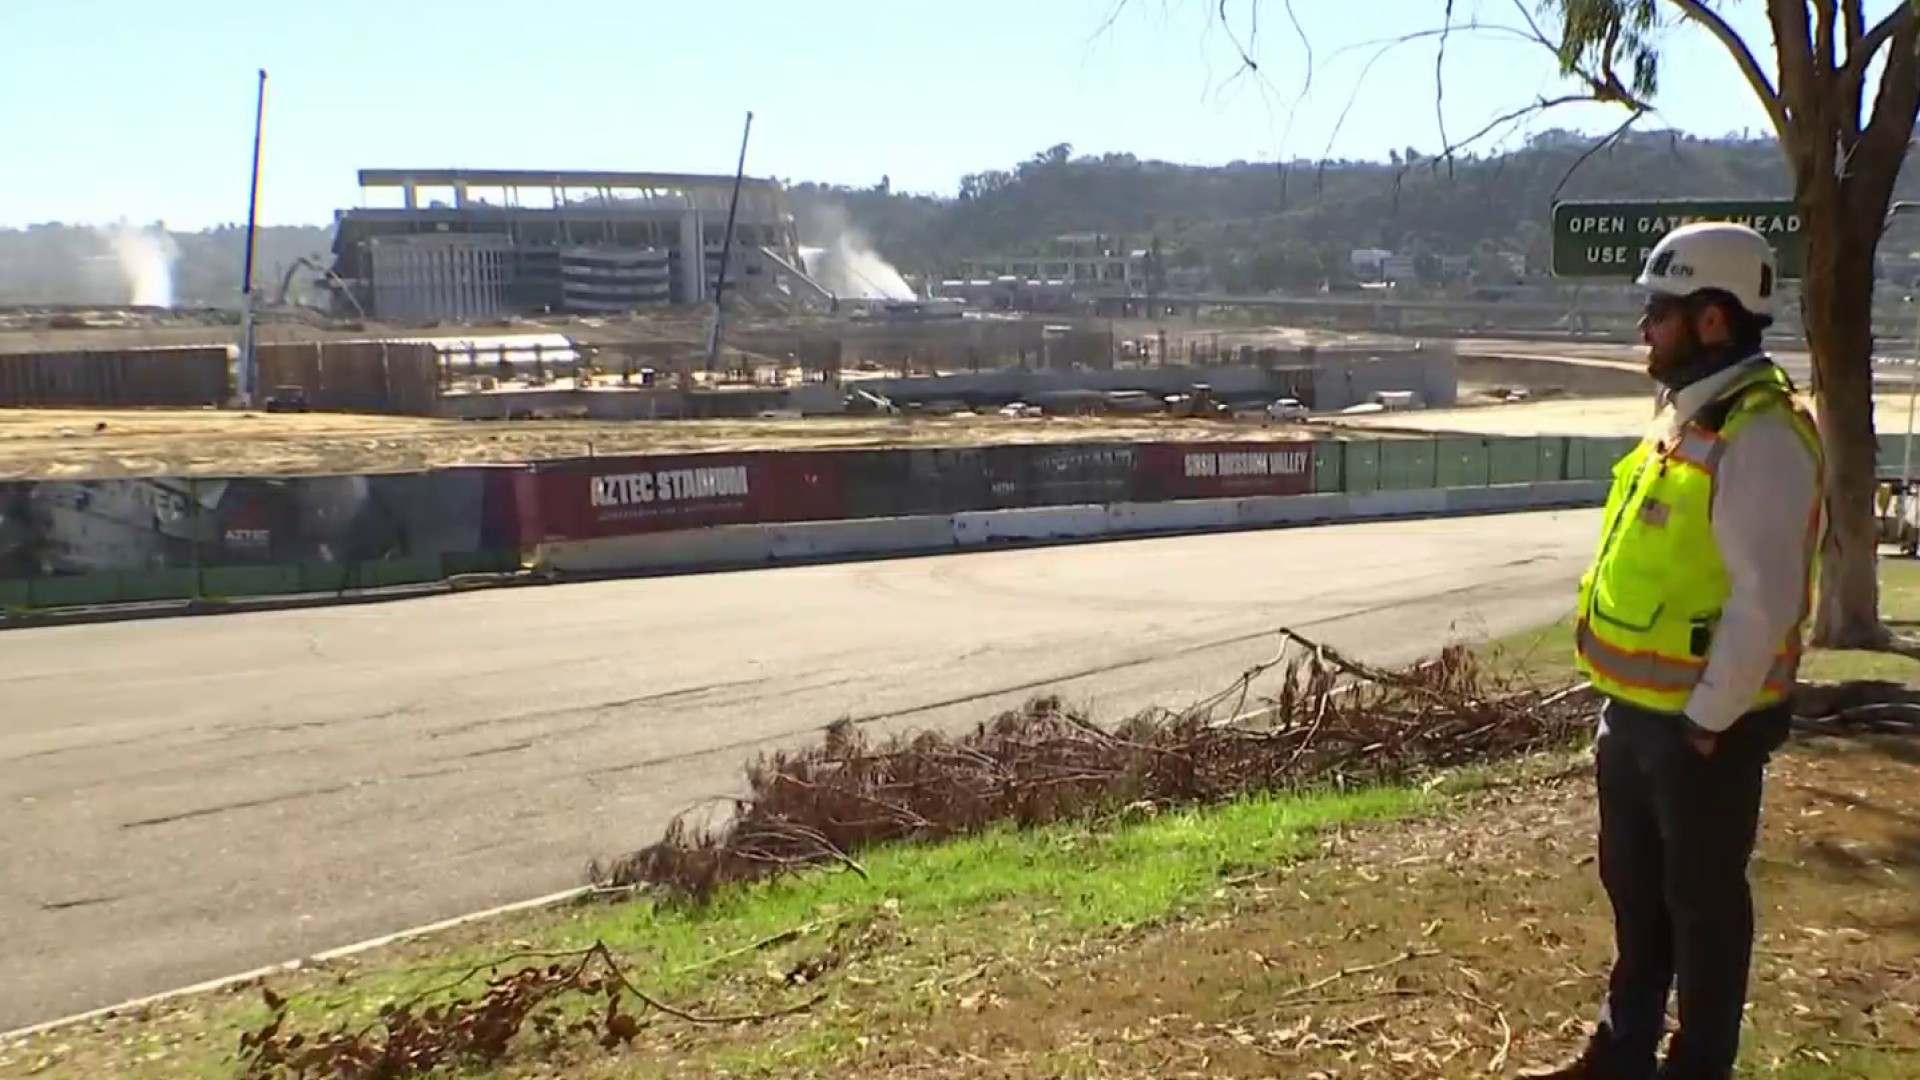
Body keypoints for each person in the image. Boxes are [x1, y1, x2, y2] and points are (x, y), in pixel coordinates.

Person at [1521, 221, 1825, 1080]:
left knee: (1701, 908)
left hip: (1701, 729)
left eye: (1660, 311)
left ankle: (1699, 1064)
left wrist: (1707, 719)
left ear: (1715, 321)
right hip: (1638, 717)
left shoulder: (1760, 436)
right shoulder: (1685, 419)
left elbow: (1765, 599)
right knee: (1637, 897)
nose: (1645, 328)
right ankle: (1622, 1051)